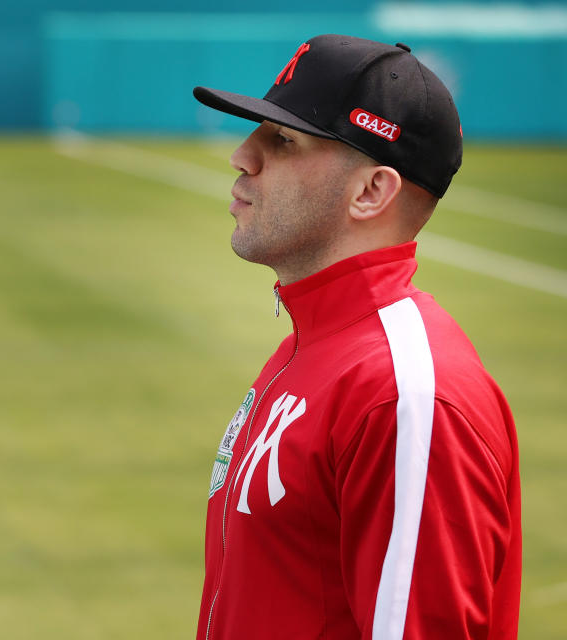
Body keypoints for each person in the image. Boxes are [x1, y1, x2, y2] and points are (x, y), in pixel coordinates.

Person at [191, 35, 520, 639]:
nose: (242, 155)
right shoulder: (316, 343)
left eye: (282, 140)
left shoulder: (402, 392)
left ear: (371, 192)